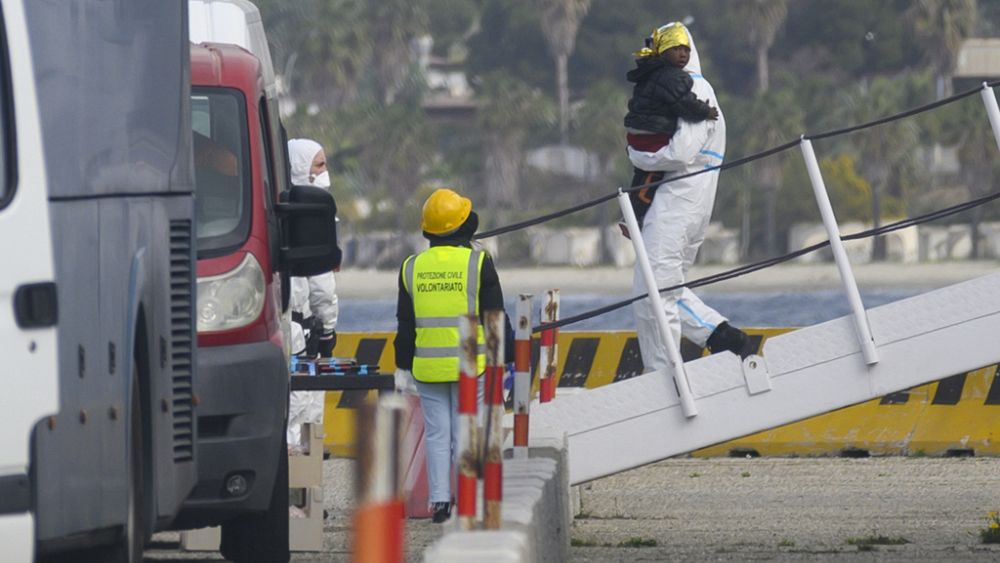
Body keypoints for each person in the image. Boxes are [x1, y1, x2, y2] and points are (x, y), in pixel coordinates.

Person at [624, 22, 751, 369]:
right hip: (689, 199)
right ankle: (723, 337)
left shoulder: (694, 87)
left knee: (651, 293)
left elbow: (681, 153)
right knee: (664, 287)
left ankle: (664, 379)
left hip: (680, 198)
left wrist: (639, 155)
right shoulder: (688, 88)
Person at [393, 188, 513, 523]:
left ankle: (439, 503)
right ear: (465, 225)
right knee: (465, 429)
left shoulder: (411, 266)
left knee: (436, 433)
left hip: (426, 364)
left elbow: (405, 324)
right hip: (469, 362)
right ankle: (466, 496)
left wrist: (403, 367)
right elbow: (495, 317)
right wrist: (502, 362)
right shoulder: (478, 261)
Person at [623, 22, 720, 230]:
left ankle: (630, 214)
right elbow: (684, 104)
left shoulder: (648, 74)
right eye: (676, 49)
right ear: (663, 52)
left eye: (686, 50)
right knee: (655, 173)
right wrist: (706, 112)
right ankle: (638, 216)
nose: (682, 55)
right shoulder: (673, 77)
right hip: (652, 136)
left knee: (640, 174)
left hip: (636, 134)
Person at [285, 138, 339, 451]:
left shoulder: (277, 207)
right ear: (299, 167)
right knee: (302, 408)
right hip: (301, 328)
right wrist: (329, 330)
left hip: (289, 324)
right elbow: (322, 287)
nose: (324, 172)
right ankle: (301, 486)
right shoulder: (314, 215)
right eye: (318, 165)